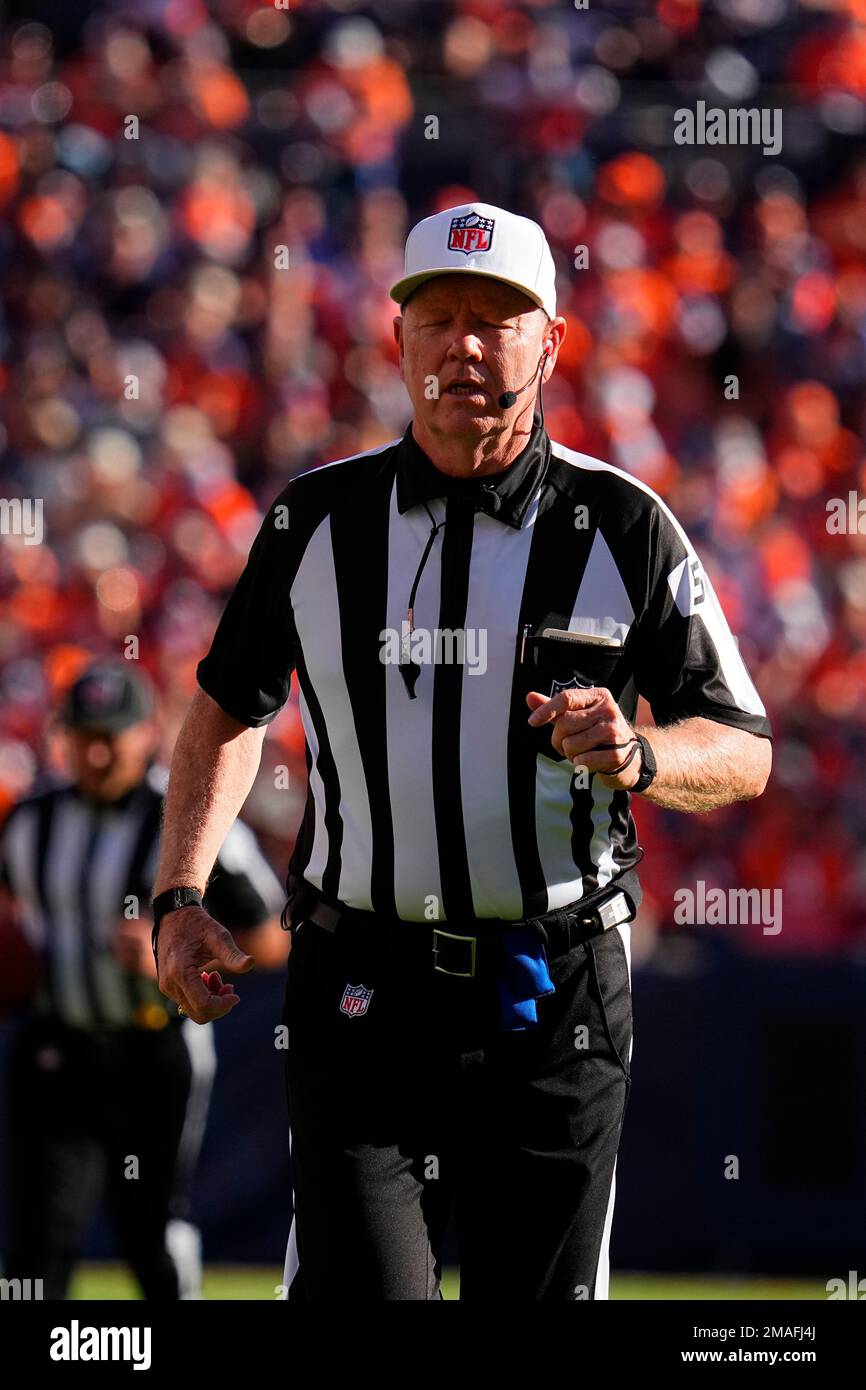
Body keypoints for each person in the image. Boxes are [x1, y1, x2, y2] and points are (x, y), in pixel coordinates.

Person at [151, 202, 772, 1301]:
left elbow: (740, 745)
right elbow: (225, 711)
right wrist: (180, 891)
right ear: (395, 340)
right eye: (436, 316)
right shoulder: (316, 522)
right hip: (360, 984)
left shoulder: (621, 525)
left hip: (554, 985)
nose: (463, 345)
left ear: (550, 341)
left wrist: (636, 755)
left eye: (496, 318)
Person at [0, 660, 288, 1300]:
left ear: (146, 733)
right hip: (57, 1046)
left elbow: (272, 937)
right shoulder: (30, 822)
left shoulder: (188, 821)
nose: (98, 752)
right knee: (39, 1236)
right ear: (62, 737)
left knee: (151, 1228)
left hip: (152, 1047)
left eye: (113, 734)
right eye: (84, 735)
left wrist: (183, 951)